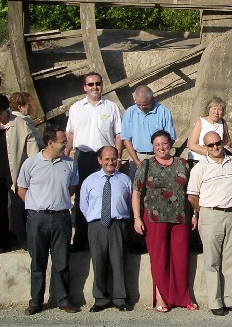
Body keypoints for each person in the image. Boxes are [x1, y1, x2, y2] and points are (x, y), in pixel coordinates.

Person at [16, 125, 80, 315]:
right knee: (38, 262)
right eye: (62, 142)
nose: (66, 145)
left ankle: (63, 299)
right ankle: (36, 301)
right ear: (50, 143)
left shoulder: (70, 164)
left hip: (61, 217)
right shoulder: (31, 163)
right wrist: (36, 205)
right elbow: (21, 190)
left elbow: (71, 188)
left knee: (62, 262)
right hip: (37, 219)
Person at [133, 131, 197, 312]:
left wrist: (194, 214)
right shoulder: (145, 165)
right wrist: (137, 217)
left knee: (180, 259)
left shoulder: (183, 164)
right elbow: (136, 192)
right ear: (153, 147)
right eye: (157, 145)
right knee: (159, 259)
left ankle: (183, 297)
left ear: (170, 144)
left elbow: (192, 192)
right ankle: (162, 298)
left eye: (164, 144)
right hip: (154, 218)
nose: (161, 148)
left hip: (180, 217)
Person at [187, 131, 232, 315]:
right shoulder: (200, 168)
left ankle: (230, 299)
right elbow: (192, 195)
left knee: (231, 260)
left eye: (217, 143)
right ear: (205, 147)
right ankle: (215, 302)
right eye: (210, 145)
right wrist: (204, 211)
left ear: (222, 143)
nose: (215, 147)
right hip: (210, 215)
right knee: (212, 261)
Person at [66, 71, 122, 250]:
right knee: (82, 197)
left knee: (105, 196)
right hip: (82, 157)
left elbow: (118, 134)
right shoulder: (76, 108)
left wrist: (118, 157)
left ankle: (102, 241)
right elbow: (70, 134)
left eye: (98, 83)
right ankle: (80, 239)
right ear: (85, 87)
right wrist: (66, 156)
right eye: (90, 84)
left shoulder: (111, 107)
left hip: (104, 158)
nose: (95, 87)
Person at [0, 93, 41, 251]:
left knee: (18, 206)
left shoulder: (19, 122)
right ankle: (2, 242)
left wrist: (33, 170)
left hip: (16, 172)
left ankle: (24, 240)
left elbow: (32, 146)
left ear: (6, 109)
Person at [80, 145, 132, 312]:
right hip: (97, 225)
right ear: (99, 160)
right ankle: (101, 299)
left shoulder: (125, 180)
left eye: (113, 159)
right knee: (98, 260)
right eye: (107, 159)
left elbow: (130, 201)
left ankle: (120, 298)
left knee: (118, 261)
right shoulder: (90, 181)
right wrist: (93, 219)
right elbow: (83, 204)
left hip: (118, 224)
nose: (110, 162)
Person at [122, 85, 175, 176]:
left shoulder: (164, 112)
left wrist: (160, 155)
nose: (141, 108)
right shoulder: (130, 112)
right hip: (137, 156)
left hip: (158, 157)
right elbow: (126, 139)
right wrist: (136, 161)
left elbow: (171, 138)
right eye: (138, 105)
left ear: (152, 99)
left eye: (145, 105)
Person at [187, 96, 230, 162]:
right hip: (198, 159)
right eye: (214, 109)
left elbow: (227, 141)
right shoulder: (201, 122)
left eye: (219, 110)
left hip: (216, 160)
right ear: (209, 109)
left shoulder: (222, 123)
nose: (216, 112)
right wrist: (210, 152)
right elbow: (191, 145)